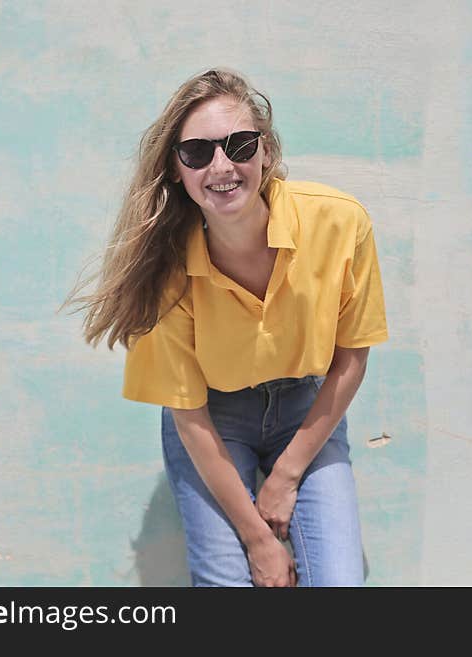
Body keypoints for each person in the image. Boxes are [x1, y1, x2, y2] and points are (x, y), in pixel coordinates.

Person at [64, 68, 388, 587]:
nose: (222, 166)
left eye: (239, 145)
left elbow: (352, 356)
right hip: (213, 419)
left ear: (266, 152)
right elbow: (188, 415)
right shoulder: (163, 269)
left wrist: (285, 476)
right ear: (175, 168)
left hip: (308, 408)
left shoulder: (341, 222)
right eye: (197, 152)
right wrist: (261, 542)